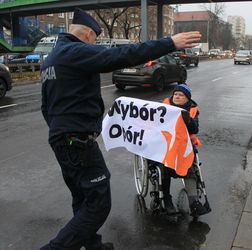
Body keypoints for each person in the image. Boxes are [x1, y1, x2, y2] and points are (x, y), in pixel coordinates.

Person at [40, 7, 201, 250]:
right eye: (94, 41)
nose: (95, 46)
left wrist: (60, 132)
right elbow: (123, 55)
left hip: (62, 140)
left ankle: (93, 246)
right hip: (78, 140)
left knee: (83, 198)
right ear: (87, 36)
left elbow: (46, 106)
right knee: (98, 203)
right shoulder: (75, 51)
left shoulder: (51, 59)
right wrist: (170, 42)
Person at [160, 83, 203, 217]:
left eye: (181, 95)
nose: (177, 97)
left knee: (190, 169)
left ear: (187, 99)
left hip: (184, 146)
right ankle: (167, 199)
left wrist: (188, 119)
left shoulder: (192, 110)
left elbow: (194, 129)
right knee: (165, 168)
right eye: (175, 94)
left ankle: (194, 202)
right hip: (165, 145)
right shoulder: (163, 107)